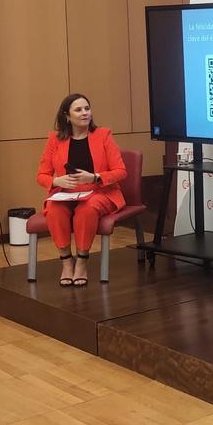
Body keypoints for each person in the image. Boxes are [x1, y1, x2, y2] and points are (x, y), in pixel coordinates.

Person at [36, 93, 127, 287]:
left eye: (87, 108)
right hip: (66, 193)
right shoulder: (54, 139)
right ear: (67, 116)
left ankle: (82, 262)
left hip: (99, 192)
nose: (85, 113)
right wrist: (56, 180)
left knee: (87, 208)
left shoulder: (103, 135)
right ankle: (67, 262)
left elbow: (121, 171)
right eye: (78, 110)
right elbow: (41, 175)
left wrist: (94, 177)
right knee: (54, 209)